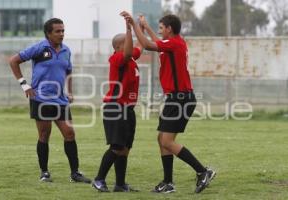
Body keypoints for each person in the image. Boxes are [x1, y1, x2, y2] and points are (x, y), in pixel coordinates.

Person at [121, 11, 216, 193]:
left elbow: (148, 45)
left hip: (180, 98)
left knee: (167, 141)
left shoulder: (173, 44)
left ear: (169, 29)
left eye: (161, 28)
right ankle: (168, 183)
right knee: (161, 139)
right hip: (176, 98)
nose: (160, 31)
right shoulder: (174, 43)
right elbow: (157, 42)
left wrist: (134, 26)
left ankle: (203, 171)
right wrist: (146, 27)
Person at [9, 18, 90, 183]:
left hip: (61, 100)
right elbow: (13, 61)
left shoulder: (66, 50)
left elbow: (68, 73)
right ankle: (44, 172)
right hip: (41, 98)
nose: (61, 34)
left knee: (69, 133)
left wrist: (70, 92)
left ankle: (75, 173)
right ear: (48, 33)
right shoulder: (39, 47)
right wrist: (25, 85)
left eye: (63, 31)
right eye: (57, 31)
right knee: (44, 135)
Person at [91, 18, 143, 192]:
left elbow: (140, 48)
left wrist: (139, 28)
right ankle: (99, 179)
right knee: (117, 146)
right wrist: (128, 29)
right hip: (115, 107)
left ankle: (120, 184)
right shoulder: (117, 59)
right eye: (128, 42)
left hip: (128, 109)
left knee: (125, 148)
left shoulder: (131, 58)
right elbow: (129, 52)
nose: (131, 45)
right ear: (118, 47)